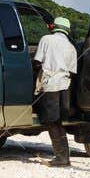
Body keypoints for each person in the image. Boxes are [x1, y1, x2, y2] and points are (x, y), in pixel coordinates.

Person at [33, 15, 78, 167]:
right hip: (65, 87)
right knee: (58, 121)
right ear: (67, 30)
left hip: (50, 85)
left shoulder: (46, 39)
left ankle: (61, 158)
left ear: (54, 27)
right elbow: (72, 72)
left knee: (52, 122)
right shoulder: (72, 47)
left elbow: (37, 62)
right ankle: (64, 156)